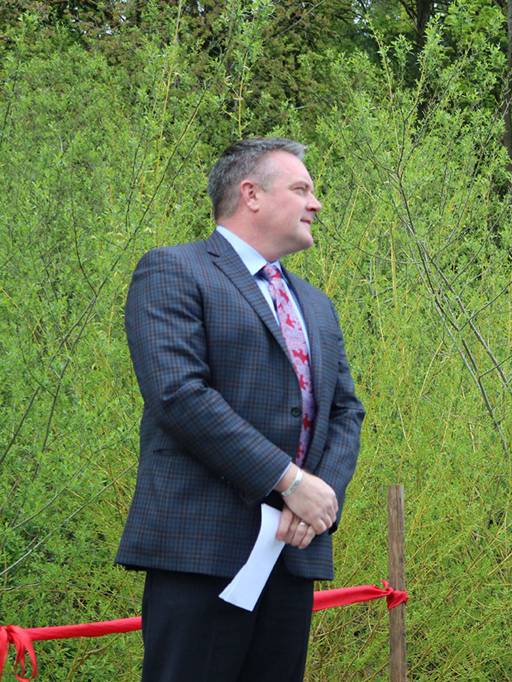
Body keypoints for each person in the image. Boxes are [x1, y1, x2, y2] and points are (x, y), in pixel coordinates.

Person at [117, 138, 365, 681]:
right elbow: (179, 395)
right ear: (251, 194)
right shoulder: (172, 271)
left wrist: (316, 499)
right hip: (202, 550)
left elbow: (347, 412)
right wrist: (287, 479)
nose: (316, 203)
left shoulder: (316, 305)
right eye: (302, 188)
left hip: (292, 553)